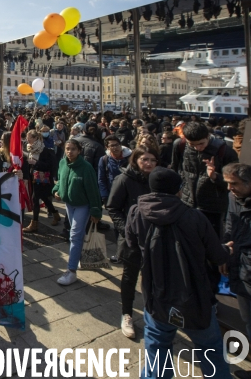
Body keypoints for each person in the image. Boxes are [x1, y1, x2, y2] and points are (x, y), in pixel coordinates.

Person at [125, 167, 231, 379]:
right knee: (210, 349)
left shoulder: (137, 212)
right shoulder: (195, 217)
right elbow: (218, 255)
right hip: (194, 296)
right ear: (177, 190)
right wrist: (228, 249)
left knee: (157, 346)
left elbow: (131, 245)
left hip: (156, 294)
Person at [106, 146, 159, 339]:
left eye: (153, 160)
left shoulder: (157, 180)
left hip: (155, 238)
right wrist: (126, 230)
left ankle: (153, 312)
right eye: (145, 159)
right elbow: (113, 207)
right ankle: (127, 314)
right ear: (135, 160)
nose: (149, 163)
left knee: (152, 277)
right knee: (130, 277)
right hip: (132, 239)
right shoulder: (124, 179)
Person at [52, 139, 103, 285]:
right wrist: (56, 190)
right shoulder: (62, 163)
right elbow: (60, 180)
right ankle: (80, 257)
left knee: (74, 234)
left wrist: (96, 210)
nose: (70, 152)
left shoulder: (86, 167)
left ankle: (71, 270)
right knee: (77, 234)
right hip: (69, 204)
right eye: (67, 149)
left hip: (83, 205)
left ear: (79, 151)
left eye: (73, 149)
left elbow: (93, 190)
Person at [222, 163, 251, 379]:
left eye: (234, 184)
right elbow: (230, 226)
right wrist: (225, 252)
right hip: (239, 268)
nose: (230, 188)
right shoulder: (233, 198)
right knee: (247, 318)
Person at [23, 130, 60, 231]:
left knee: (36, 199)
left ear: (35, 138)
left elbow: (49, 166)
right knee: (43, 197)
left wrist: (35, 163)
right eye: (27, 137)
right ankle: (55, 213)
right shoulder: (30, 148)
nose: (27, 139)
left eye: (29, 137)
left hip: (43, 179)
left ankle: (34, 223)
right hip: (34, 178)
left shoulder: (45, 150)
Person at [98, 134, 132, 207]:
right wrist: (104, 196)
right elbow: (101, 179)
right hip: (113, 193)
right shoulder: (104, 160)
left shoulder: (131, 158)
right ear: (107, 147)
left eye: (117, 145)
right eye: (112, 146)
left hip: (129, 194)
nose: (115, 148)